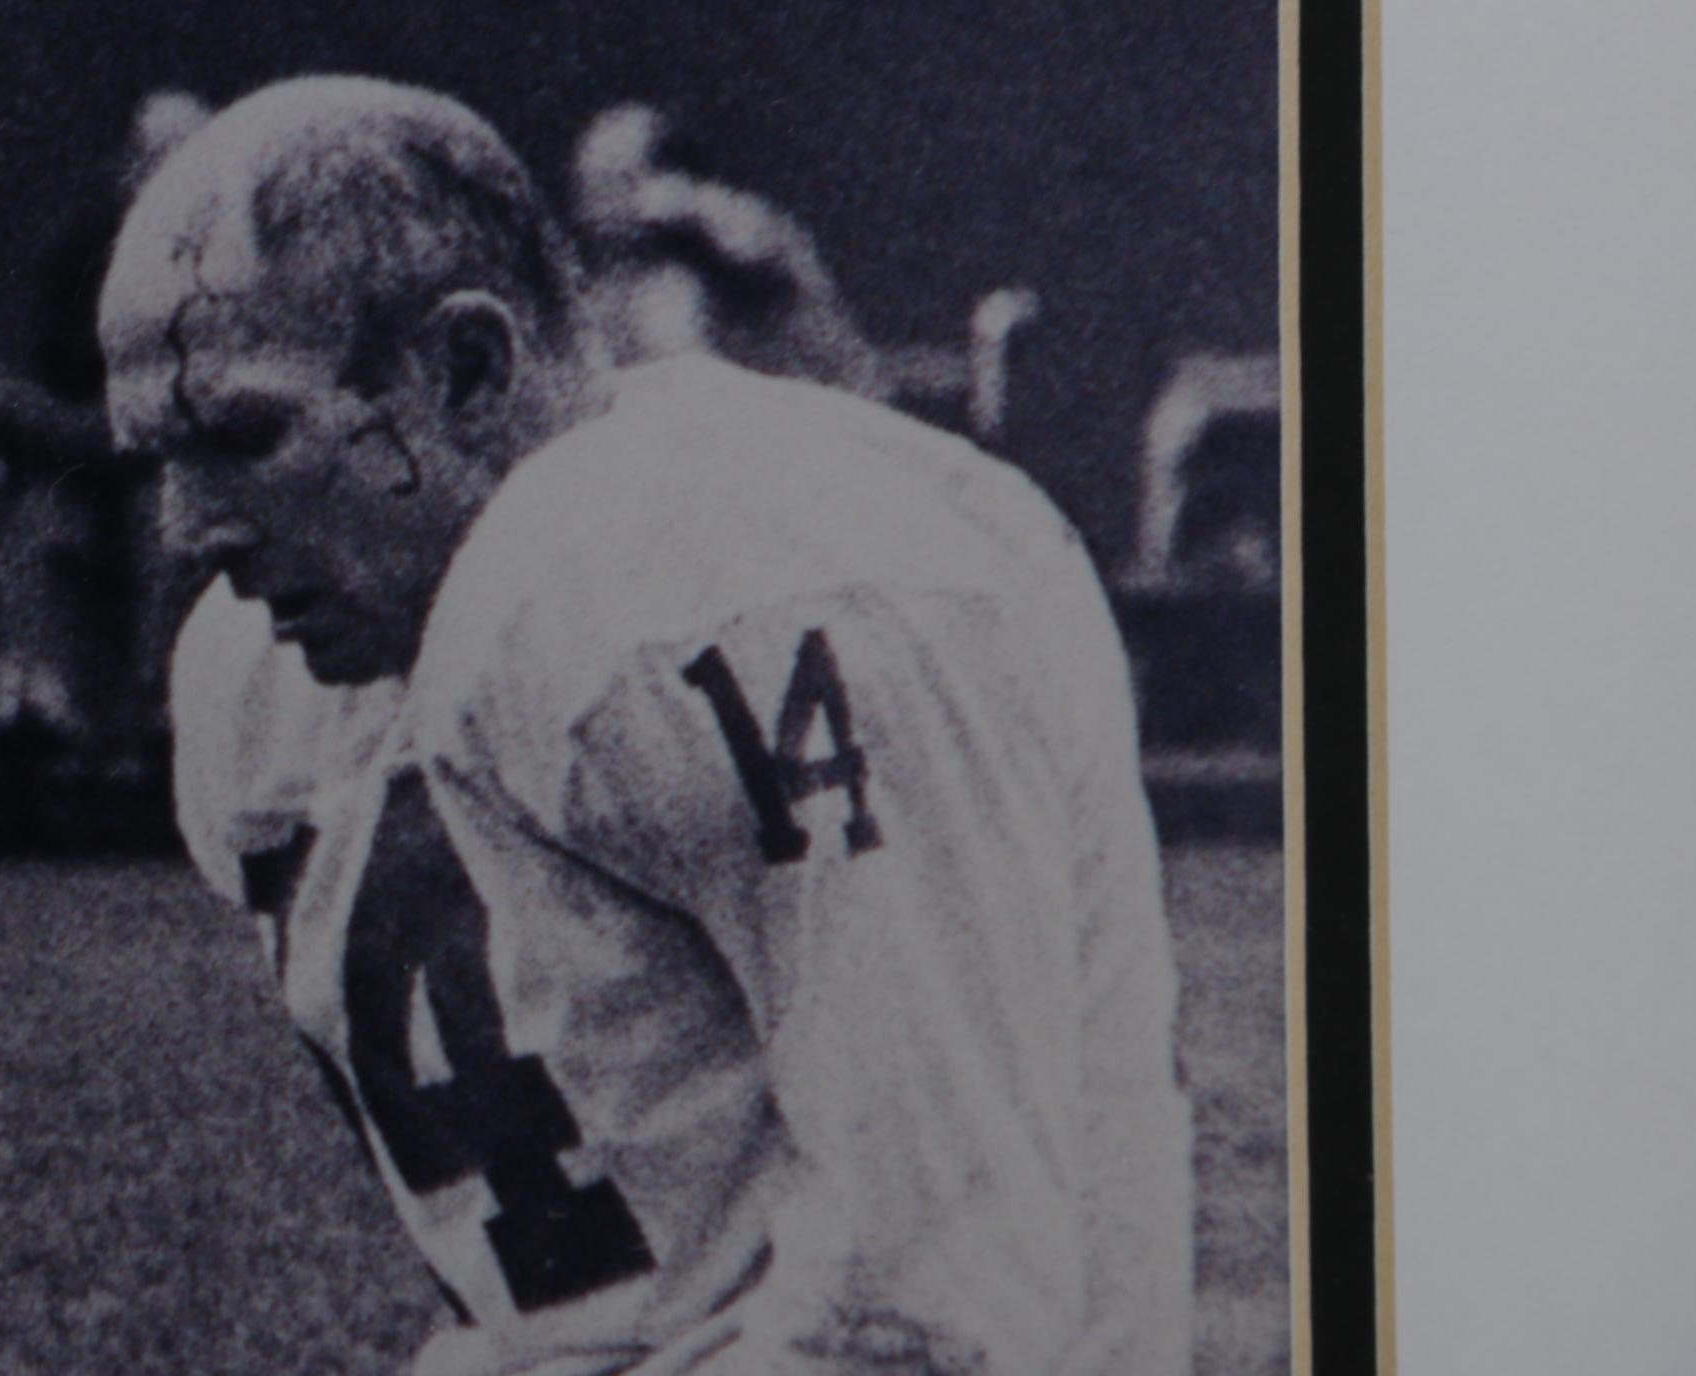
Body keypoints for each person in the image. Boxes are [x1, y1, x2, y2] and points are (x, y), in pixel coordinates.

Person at [105, 78, 1191, 1376]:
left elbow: (943, 1321)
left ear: (465, 366)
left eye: (241, 434)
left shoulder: (744, 567)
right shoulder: (260, 678)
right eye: (160, 459)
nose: (189, 530)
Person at [0, 88, 211, 833]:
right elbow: (56, 375)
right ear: (130, 166)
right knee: (42, 521)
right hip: (88, 457)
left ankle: (157, 729)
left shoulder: (245, 253)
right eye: (156, 159)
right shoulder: (84, 248)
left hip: (192, 466)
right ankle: (45, 715)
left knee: (168, 526)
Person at [568, 101, 893, 400]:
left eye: (617, 181)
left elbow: (757, 261)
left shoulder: (733, 223)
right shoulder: (607, 288)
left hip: (814, 417)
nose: (594, 206)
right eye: (591, 185)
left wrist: (683, 213)